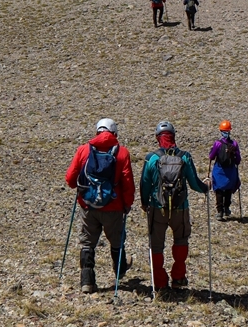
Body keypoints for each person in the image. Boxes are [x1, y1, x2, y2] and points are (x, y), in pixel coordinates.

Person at [65, 118, 135, 293]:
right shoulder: (122, 153)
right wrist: (127, 204)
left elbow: (70, 179)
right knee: (117, 240)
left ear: (97, 132)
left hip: (88, 206)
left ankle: (87, 281)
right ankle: (119, 272)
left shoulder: (83, 150)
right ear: (115, 133)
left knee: (88, 242)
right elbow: (127, 183)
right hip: (114, 206)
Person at [140, 121, 210, 292]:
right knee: (181, 240)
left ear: (158, 138)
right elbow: (194, 183)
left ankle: (160, 282)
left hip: (158, 209)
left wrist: (144, 203)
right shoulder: (184, 157)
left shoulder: (152, 158)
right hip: (180, 209)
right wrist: (206, 187)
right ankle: (178, 278)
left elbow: (144, 184)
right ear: (173, 136)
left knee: (156, 246)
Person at [209, 120, 241, 221]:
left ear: (221, 131)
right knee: (228, 189)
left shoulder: (217, 144)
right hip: (230, 170)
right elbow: (238, 160)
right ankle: (227, 208)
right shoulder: (234, 144)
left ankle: (220, 212)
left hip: (219, 170)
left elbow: (211, 156)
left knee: (218, 189)